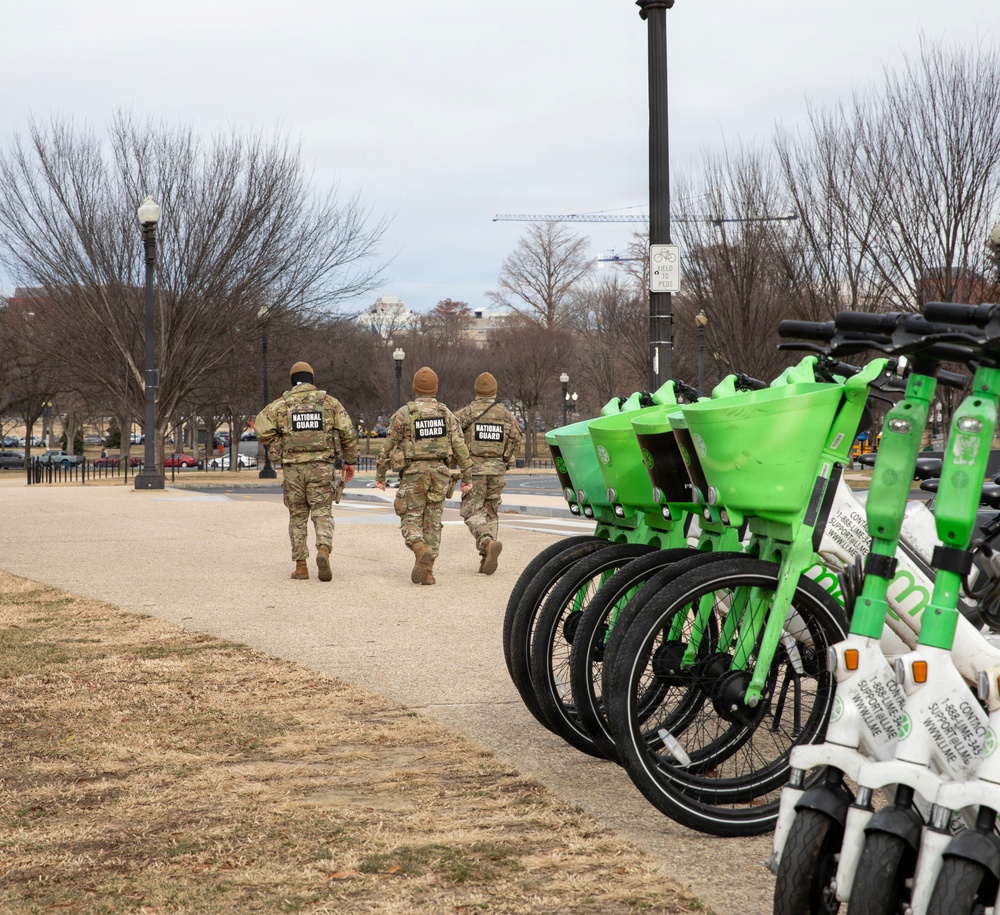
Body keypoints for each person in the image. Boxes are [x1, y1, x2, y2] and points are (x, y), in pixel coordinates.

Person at [254, 361, 357, 582]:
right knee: (322, 512)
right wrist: (349, 461)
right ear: (312, 379)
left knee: (297, 517)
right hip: (322, 467)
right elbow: (348, 432)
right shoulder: (329, 402)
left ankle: (301, 566)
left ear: (292, 380)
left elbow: (261, 429)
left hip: (293, 470)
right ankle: (323, 550)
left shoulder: (280, 405)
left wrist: (279, 444)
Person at [375, 366, 472, 585]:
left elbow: (387, 446)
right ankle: (428, 572)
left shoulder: (404, 414)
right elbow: (460, 447)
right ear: (435, 388)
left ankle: (419, 549)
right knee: (433, 521)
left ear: (415, 388)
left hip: (413, 473)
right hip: (440, 472)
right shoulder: (446, 414)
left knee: (409, 517)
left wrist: (380, 475)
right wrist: (467, 477)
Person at [454, 372, 523, 574]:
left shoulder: (465, 414)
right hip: (497, 470)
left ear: (477, 390)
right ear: (494, 391)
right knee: (491, 512)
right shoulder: (506, 414)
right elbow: (517, 438)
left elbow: (454, 438)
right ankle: (487, 558)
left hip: (474, 470)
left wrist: (461, 460)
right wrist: (505, 460)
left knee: (471, 511)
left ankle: (486, 543)